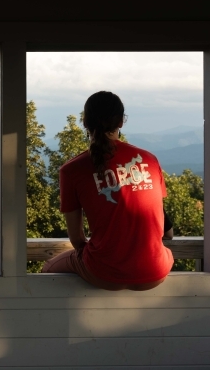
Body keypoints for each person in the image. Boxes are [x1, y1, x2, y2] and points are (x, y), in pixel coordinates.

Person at [42, 91, 174, 291]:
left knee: (47, 268)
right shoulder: (149, 159)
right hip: (155, 271)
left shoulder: (71, 170)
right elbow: (163, 224)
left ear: (85, 122)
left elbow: (77, 240)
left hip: (103, 273)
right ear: (121, 122)